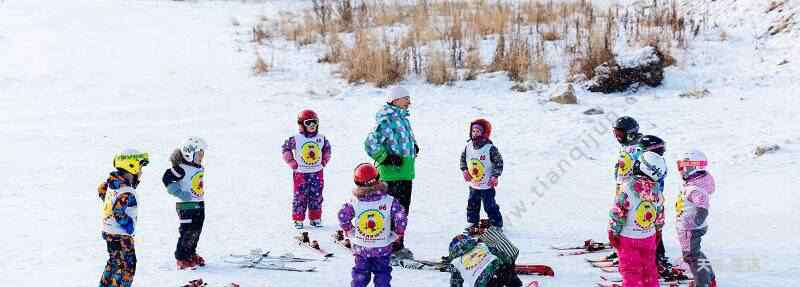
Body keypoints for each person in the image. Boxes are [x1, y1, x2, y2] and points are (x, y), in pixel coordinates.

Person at [364, 86, 419, 258]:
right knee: (390, 212)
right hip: (391, 175)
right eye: (406, 98)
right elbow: (370, 143)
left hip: (404, 172)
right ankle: (385, 247)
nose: (409, 102)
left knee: (402, 212)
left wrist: (413, 146)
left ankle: (397, 246)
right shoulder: (387, 119)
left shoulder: (402, 118)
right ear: (395, 100)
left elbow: (402, 139)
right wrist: (385, 158)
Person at [338, 163, 407, 287]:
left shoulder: (355, 202)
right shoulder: (389, 201)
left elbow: (342, 215)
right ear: (378, 179)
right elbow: (401, 216)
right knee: (382, 273)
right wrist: (398, 233)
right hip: (383, 247)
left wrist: (348, 229)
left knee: (360, 273)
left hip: (361, 247)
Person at [608, 151, 666, 287]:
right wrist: (657, 231)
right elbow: (660, 215)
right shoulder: (658, 192)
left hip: (628, 239)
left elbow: (618, 212)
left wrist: (613, 231)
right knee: (649, 270)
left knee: (631, 271)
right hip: (648, 238)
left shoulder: (627, 188)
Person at [98, 149, 148, 287]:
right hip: (121, 236)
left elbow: (101, 189)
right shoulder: (126, 191)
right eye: (140, 168)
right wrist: (129, 225)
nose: (141, 173)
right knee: (127, 267)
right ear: (131, 167)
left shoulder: (112, 185)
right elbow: (118, 212)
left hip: (108, 231)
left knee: (114, 262)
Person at [163, 137, 208, 269]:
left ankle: (190, 253)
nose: (202, 157)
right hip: (186, 205)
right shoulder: (182, 168)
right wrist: (179, 192)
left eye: (202, 154)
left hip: (199, 203)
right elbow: (166, 178)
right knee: (187, 231)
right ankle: (181, 257)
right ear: (189, 154)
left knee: (196, 230)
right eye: (199, 154)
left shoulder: (197, 167)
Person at [282, 109, 332, 229]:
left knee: (316, 195)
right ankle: (298, 219)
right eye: (308, 123)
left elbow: (327, 150)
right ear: (301, 124)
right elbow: (285, 148)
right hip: (301, 173)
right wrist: (291, 162)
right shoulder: (296, 138)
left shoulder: (321, 138)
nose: (312, 125)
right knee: (300, 196)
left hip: (317, 172)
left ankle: (315, 218)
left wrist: (324, 161)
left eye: (315, 122)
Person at [675, 150, 717, 287]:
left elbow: (702, 207)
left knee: (692, 258)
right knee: (695, 254)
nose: (681, 170)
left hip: (691, 230)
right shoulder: (694, 183)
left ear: (694, 167)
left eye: (683, 166)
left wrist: (694, 221)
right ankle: (709, 278)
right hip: (690, 229)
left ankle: (703, 282)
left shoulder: (695, 188)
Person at [460, 119, 504, 230]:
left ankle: (496, 224)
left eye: (478, 131)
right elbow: (463, 159)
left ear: (484, 133)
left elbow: (499, 162)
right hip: (474, 184)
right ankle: (472, 222)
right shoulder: (468, 147)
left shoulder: (490, 148)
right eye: (473, 131)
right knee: (472, 204)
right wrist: (465, 170)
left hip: (487, 184)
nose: (475, 133)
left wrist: (495, 176)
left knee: (489, 205)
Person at [447, 227, 522, 287]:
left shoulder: (455, 263)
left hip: (482, 282)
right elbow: (497, 252)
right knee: (507, 273)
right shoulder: (480, 244)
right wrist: (509, 264)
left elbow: (455, 283)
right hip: (498, 268)